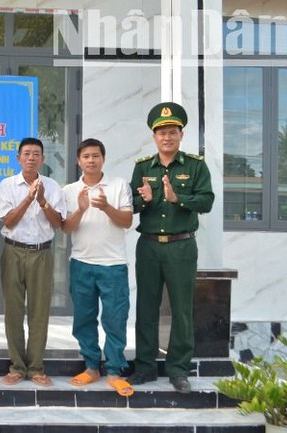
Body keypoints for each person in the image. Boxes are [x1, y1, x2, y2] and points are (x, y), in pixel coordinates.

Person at [127, 102, 214, 394]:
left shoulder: (195, 166)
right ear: (154, 137)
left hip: (181, 246)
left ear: (181, 135)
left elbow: (207, 201)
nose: (167, 137)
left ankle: (178, 370)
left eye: (172, 132)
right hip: (149, 246)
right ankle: (145, 367)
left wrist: (178, 198)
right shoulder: (143, 167)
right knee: (146, 307)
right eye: (161, 132)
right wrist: (144, 200)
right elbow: (131, 205)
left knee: (182, 309)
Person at [61, 138, 134, 397]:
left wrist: (106, 207)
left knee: (115, 319)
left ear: (103, 158)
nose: (91, 160)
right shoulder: (70, 190)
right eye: (86, 156)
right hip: (82, 263)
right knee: (84, 318)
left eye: (95, 156)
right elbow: (66, 227)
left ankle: (114, 370)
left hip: (113, 265)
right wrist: (81, 209)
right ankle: (91, 366)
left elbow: (127, 221)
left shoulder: (119, 185)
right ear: (78, 161)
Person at [0, 137, 66, 386]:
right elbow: (8, 221)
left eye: (36, 154)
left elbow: (58, 223)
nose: (31, 158)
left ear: (43, 159)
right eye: (26, 153)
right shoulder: (7, 185)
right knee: (13, 312)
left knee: (39, 311)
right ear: (18, 158)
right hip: (13, 251)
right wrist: (28, 198)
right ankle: (16, 367)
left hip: (41, 254)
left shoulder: (52, 187)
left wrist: (43, 200)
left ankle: (36, 368)